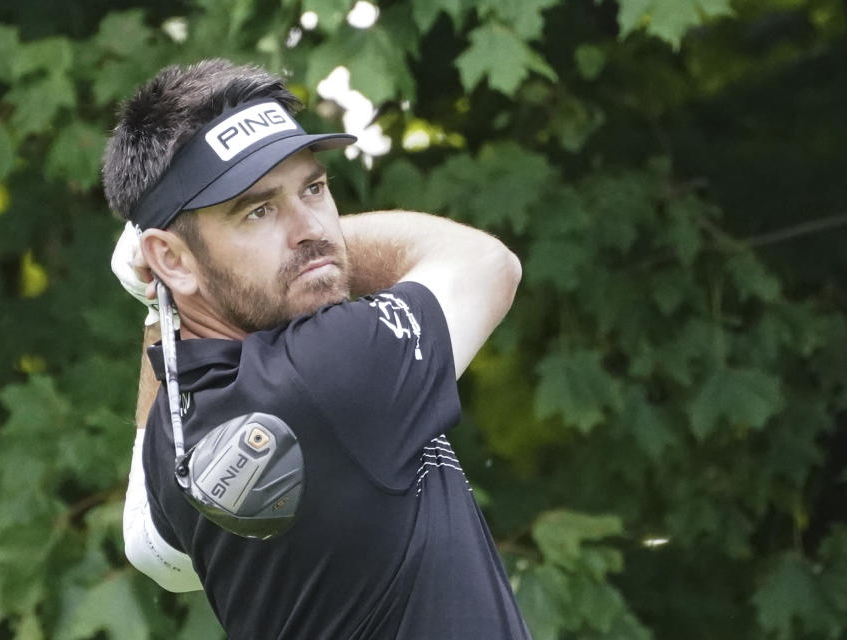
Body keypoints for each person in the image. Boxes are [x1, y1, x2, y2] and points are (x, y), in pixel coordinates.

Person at [103, 58, 529, 639]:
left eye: (315, 188)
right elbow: (488, 264)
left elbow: (152, 548)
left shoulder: (176, 433)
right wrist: (323, 253)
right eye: (258, 209)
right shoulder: (334, 367)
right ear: (172, 259)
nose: (312, 227)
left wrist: (161, 304)